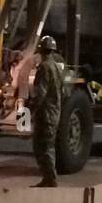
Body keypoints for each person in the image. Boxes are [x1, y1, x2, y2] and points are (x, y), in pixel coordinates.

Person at [30, 35, 66, 187]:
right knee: (48, 144)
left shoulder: (44, 67)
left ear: (41, 50)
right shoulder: (57, 67)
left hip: (45, 114)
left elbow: (40, 93)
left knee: (43, 146)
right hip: (54, 112)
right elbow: (63, 91)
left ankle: (50, 178)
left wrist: (30, 111)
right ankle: (49, 177)